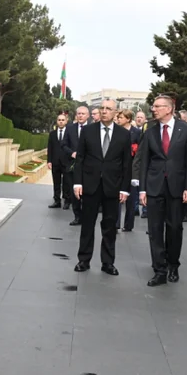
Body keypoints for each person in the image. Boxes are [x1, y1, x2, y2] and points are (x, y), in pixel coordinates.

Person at [138, 95, 187, 286]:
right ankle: (159, 269)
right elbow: (144, 162)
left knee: (174, 228)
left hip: (177, 188)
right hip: (154, 187)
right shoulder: (150, 132)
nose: (153, 109)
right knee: (154, 230)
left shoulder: (186, 130)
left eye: (157, 106)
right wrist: (142, 189)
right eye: (153, 106)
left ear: (169, 109)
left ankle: (173, 265)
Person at [72, 99, 132, 275]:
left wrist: (124, 188)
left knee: (109, 226)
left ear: (115, 112)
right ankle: (83, 260)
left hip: (112, 187)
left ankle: (108, 262)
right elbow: (80, 158)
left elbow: (127, 163)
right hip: (90, 185)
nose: (104, 111)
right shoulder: (88, 131)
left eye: (108, 109)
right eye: (102, 108)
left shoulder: (123, 134)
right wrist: (77, 183)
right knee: (87, 224)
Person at [62, 105, 90, 222]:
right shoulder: (70, 128)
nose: (80, 116)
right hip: (73, 165)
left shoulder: (93, 128)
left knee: (87, 192)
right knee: (75, 191)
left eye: (83, 114)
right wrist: (71, 153)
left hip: (88, 165)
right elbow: (63, 144)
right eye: (79, 113)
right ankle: (77, 216)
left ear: (87, 116)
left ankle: (86, 215)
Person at [115, 109, 140, 231]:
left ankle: (129, 224)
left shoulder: (137, 133)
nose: (118, 119)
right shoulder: (115, 131)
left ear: (128, 119)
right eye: (118, 117)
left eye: (121, 117)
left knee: (131, 197)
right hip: (118, 167)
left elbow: (140, 151)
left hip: (132, 169)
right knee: (116, 196)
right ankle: (116, 223)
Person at [47, 113, 71, 209]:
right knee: (56, 182)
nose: (61, 122)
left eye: (62, 120)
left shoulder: (69, 133)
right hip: (55, 162)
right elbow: (50, 148)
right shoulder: (52, 134)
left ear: (66, 121)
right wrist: (49, 161)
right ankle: (57, 201)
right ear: (57, 122)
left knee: (66, 183)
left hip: (66, 162)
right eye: (59, 120)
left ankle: (67, 201)